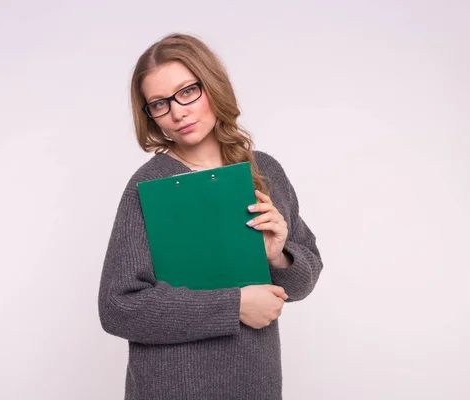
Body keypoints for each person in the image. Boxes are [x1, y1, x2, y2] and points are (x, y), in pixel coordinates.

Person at [98, 33, 323, 400]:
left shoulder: (264, 171)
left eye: (187, 91)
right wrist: (233, 306)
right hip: (172, 387)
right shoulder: (148, 186)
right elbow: (118, 307)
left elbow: (301, 284)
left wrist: (278, 255)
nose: (177, 111)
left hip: (254, 383)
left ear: (212, 85)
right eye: (158, 103)